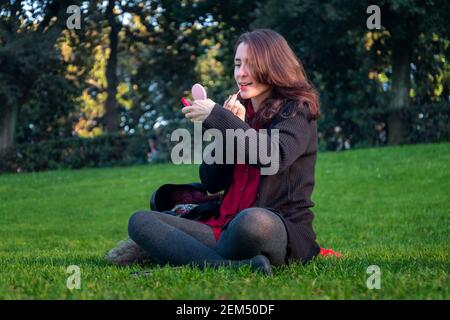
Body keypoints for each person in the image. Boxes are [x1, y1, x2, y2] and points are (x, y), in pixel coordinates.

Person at [124, 29, 321, 275]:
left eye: (250, 64)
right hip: (224, 225)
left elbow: (274, 156)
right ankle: (233, 267)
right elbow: (211, 181)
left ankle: (187, 260)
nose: (241, 73)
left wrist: (221, 118)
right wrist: (227, 129)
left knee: (251, 223)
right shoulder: (237, 111)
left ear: (274, 66)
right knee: (141, 221)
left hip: (276, 229)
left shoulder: (296, 111)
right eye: (238, 64)